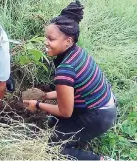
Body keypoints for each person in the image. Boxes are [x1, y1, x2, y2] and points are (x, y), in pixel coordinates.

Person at [23, 0, 117, 160]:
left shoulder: (65, 70)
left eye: (51, 39)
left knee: (53, 147)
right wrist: (45, 96)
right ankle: (74, 131)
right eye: (46, 37)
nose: (46, 42)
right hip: (105, 104)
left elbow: (65, 111)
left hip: (99, 116)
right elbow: (68, 91)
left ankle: (100, 159)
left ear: (68, 41)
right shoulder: (77, 52)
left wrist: (37, 105)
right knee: (56, 121)